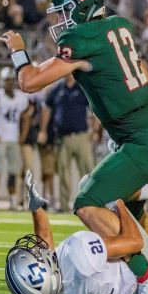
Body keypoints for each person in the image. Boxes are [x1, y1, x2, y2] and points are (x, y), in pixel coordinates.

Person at [0, 0, 148, 294]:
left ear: (82, 4)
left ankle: (144, 273)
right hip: (145, 135)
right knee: (124, 214)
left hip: (137, 142)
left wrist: (18, 51)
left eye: (65, 9)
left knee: (86, 200)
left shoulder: (81, 38)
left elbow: (29, 82)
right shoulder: (120, 27)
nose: (61, 19)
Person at [4, 172, 148, 294]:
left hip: (128, 289)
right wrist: (118, 204)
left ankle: (140, 204)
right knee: (88, 186)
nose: (35, 250)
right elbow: (135, 241)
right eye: (35, 256)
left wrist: (35, 208)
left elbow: (46, 244)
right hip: (141, 268)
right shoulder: (78, 252)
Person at [43, 73, 94, 212]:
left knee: (87, 171)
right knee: (63, 173)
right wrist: (43, 130)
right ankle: (64, 206)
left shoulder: (82, 88)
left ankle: (90, 204)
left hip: (81, 136)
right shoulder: (57, 89)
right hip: (62, 138)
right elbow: (46, 107)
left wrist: (95, 130)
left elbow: (94, 108)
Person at [0, 67, 30, 209]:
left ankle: (12, 200)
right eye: (7, 80)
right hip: (0, 138)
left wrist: (23, 135)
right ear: (2, 81)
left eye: (12, 80)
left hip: (13, 139)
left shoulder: (21, 98)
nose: (10, 83)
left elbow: (26, 117)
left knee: (13, 173)